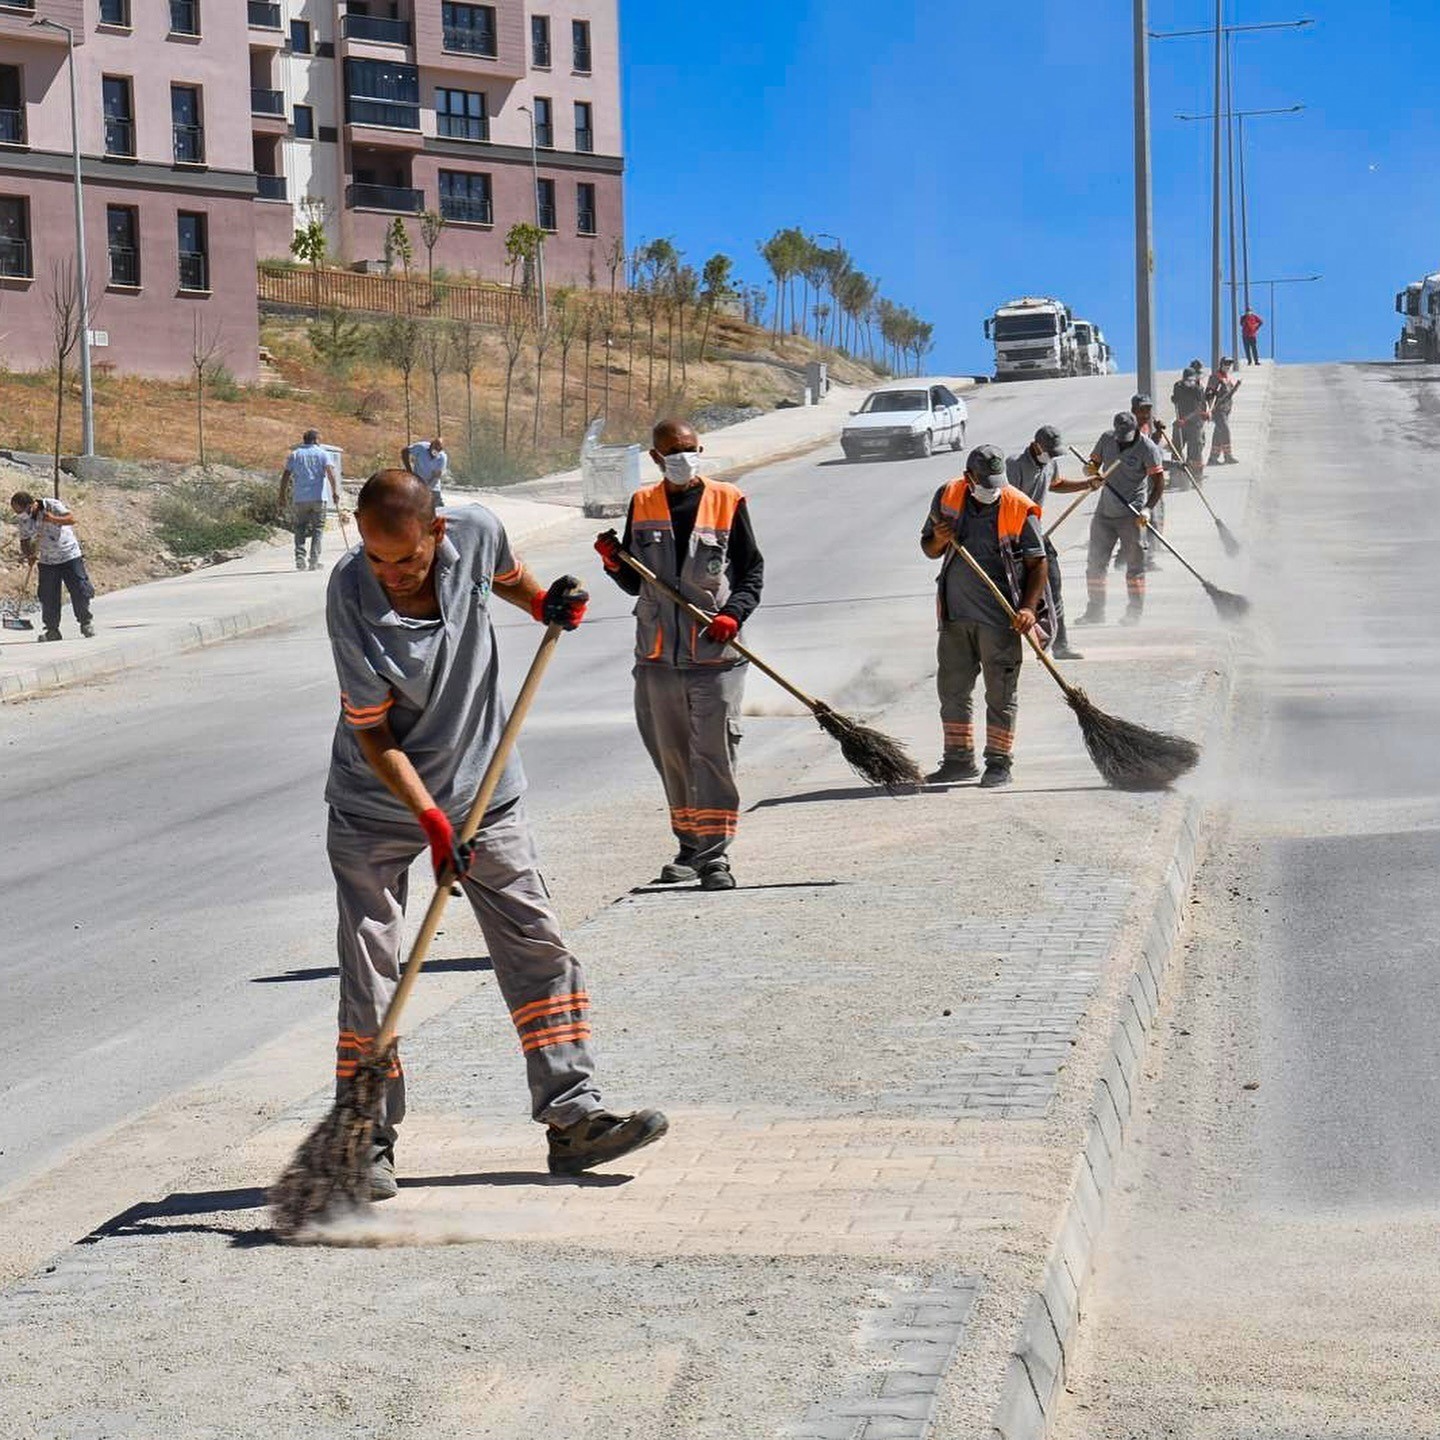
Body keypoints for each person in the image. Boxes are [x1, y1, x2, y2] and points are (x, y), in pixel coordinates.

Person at [325, 469, 666, 1197]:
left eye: (406, 560)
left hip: (484, 788)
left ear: (438, 532)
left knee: (537, 947)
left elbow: (507, 578)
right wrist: (432, 820)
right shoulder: (350, 593)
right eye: (377, 559)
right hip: (379, 805)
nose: (390, 575)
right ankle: (367, 1139)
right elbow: (374, 734)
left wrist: (544, 602)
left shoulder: (476, 532)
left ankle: (574, 1119)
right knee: (373, 969)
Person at [594, 418, 764, 891]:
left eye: (689, 449)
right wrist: (613, 562)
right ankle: (689, 846)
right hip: (656, 656)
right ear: (655, 458)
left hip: (715, 654)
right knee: (671, 755)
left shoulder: (728, 500)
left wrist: (734, 613)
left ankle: (715, 856)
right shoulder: (643, 503)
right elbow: (635, 580)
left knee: (713, 754)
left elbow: (751, 570)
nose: (683, 457)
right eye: (672, 451)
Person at [921, 444, 1048, 790]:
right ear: (969, 478)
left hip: (1001, 619)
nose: (992, 491)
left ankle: (999, 763)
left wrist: (1027, 608)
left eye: (997, 483)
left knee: (1000, 694)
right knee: (953, 690)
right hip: (955, 617)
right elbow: (929, 549)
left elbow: (1039, 564)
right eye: (985, 484)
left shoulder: (1018, 506)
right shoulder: (947, 495)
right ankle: (958, 760)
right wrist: (939, 538)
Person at [1005, 424, 1099, 662]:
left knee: (1054, 585)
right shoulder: (1014, 465)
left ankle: (1060, 645)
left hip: (1037, 534)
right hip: (1014, 536)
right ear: (1036, 445)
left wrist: (1087, 484)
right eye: (1049, 451)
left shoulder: (1050, 462)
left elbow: (1056, 484)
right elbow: (1007, 501)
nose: (1053, 456)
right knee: (1015, 593)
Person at [1077, 412, 1166, 627]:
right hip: (1105, 513)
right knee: (1095, 564)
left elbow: (1159, 483)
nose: (1121, 439)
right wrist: (1090, 470)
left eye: (1126, 435)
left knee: (1135, 567)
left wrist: (1147, 510)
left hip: (1132, 515)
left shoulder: (1148, 449)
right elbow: (1093, 463)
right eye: (1119, 435)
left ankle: (1134, 612)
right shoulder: (1107, 439)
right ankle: (1095, 611)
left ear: (1135, 429)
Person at [9, 490, 95, 642]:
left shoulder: (51, 505)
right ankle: (52, 630)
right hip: (48, 560)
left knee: (80, 589)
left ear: (31, 505)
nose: (20, 514)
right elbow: (25, 540)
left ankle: (85, 623)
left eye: (21, 511)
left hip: (69, 555)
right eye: (17, 512)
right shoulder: (24, 520)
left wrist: (53, 519)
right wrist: (29, 554)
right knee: (48, 596)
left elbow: (71, 519)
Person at [280, 429, 341, 572]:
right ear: (315, 440)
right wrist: (335, 492)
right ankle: (314, 560)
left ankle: (300, 559)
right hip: (318, 497)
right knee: (318, 529)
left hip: (300, 498)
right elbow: (330, 473)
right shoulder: (322, 454)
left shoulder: (295, 455)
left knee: (300, 527)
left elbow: (286, 475)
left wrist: (282, 495)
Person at [1169, 363, 1210, 480]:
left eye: (1192, 380)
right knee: (1176, 448)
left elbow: (1199, 409)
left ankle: (1196, 476)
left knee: (1195, 450)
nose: (1190, 383)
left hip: (1194, 424)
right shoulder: (1178, 386)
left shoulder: (1198, 390)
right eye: (1188, 380)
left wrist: (1187, 419)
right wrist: (1174, 399)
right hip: (1180, 423)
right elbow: (1176, 399)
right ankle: (1176, 475)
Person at [1206, 357, 1242, 464]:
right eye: (1226, 364)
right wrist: (1209, 408)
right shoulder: (1215, 377)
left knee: (1218, 433)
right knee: (1225, 431)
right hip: (1218, 410)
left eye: (1229, 365)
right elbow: (1209, 394)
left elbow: (1228, 394)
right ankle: (1228, 456)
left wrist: (1236, 387)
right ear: (1221, 364)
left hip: (1226, 410)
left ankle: (1213, 458)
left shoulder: (1226, 378)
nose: (1228, 367)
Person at [402, 436, 448, 507]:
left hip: (432, 487)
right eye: (435, 447)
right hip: (417, 484)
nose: (436, 450)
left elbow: (436, 477)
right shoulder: (421, 447)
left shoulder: (442, 458)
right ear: (431, 445)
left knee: (438, 509)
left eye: (439, 449)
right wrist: (409, 470)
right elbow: (404, 451)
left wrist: (427, 489)